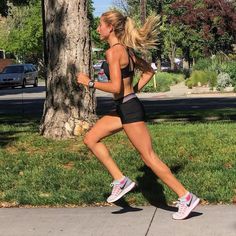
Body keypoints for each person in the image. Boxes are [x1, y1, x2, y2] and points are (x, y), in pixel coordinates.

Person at [77, 10, 200, 220]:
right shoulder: (126, 51)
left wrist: (88, 82)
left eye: (100, 25)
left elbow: (116, 87)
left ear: (110, 28)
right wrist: (133, 90)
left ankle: (186, 196)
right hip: (124, 107)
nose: (98, 29)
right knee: (91, 138)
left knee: (149, 157)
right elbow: (149, 72)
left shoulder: (114, 52)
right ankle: (120, 180)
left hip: (129, 110)